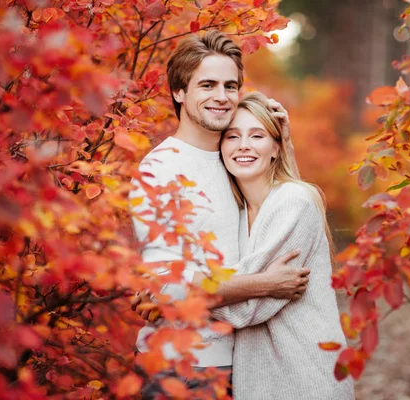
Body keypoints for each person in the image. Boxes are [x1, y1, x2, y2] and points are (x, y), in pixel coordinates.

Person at [128, 31, 309, 397]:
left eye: (230, 85)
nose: (222, 97)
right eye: (207, 85)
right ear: (180, 92)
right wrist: (266, 284)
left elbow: (288, 217)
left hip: (242, 364)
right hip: (179, 369)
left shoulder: (234, 157)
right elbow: (169, 288)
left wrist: (284, 144)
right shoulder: (160, 170)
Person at [206, 92, 355, 399]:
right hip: (260, 383)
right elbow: (237, 287)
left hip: (306, 379)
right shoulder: (234, 213)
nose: (243, 145)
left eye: (257, 135)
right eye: (232, 136)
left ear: (276, 147)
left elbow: (245, 308)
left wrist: (175, 293)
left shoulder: (294, 202)